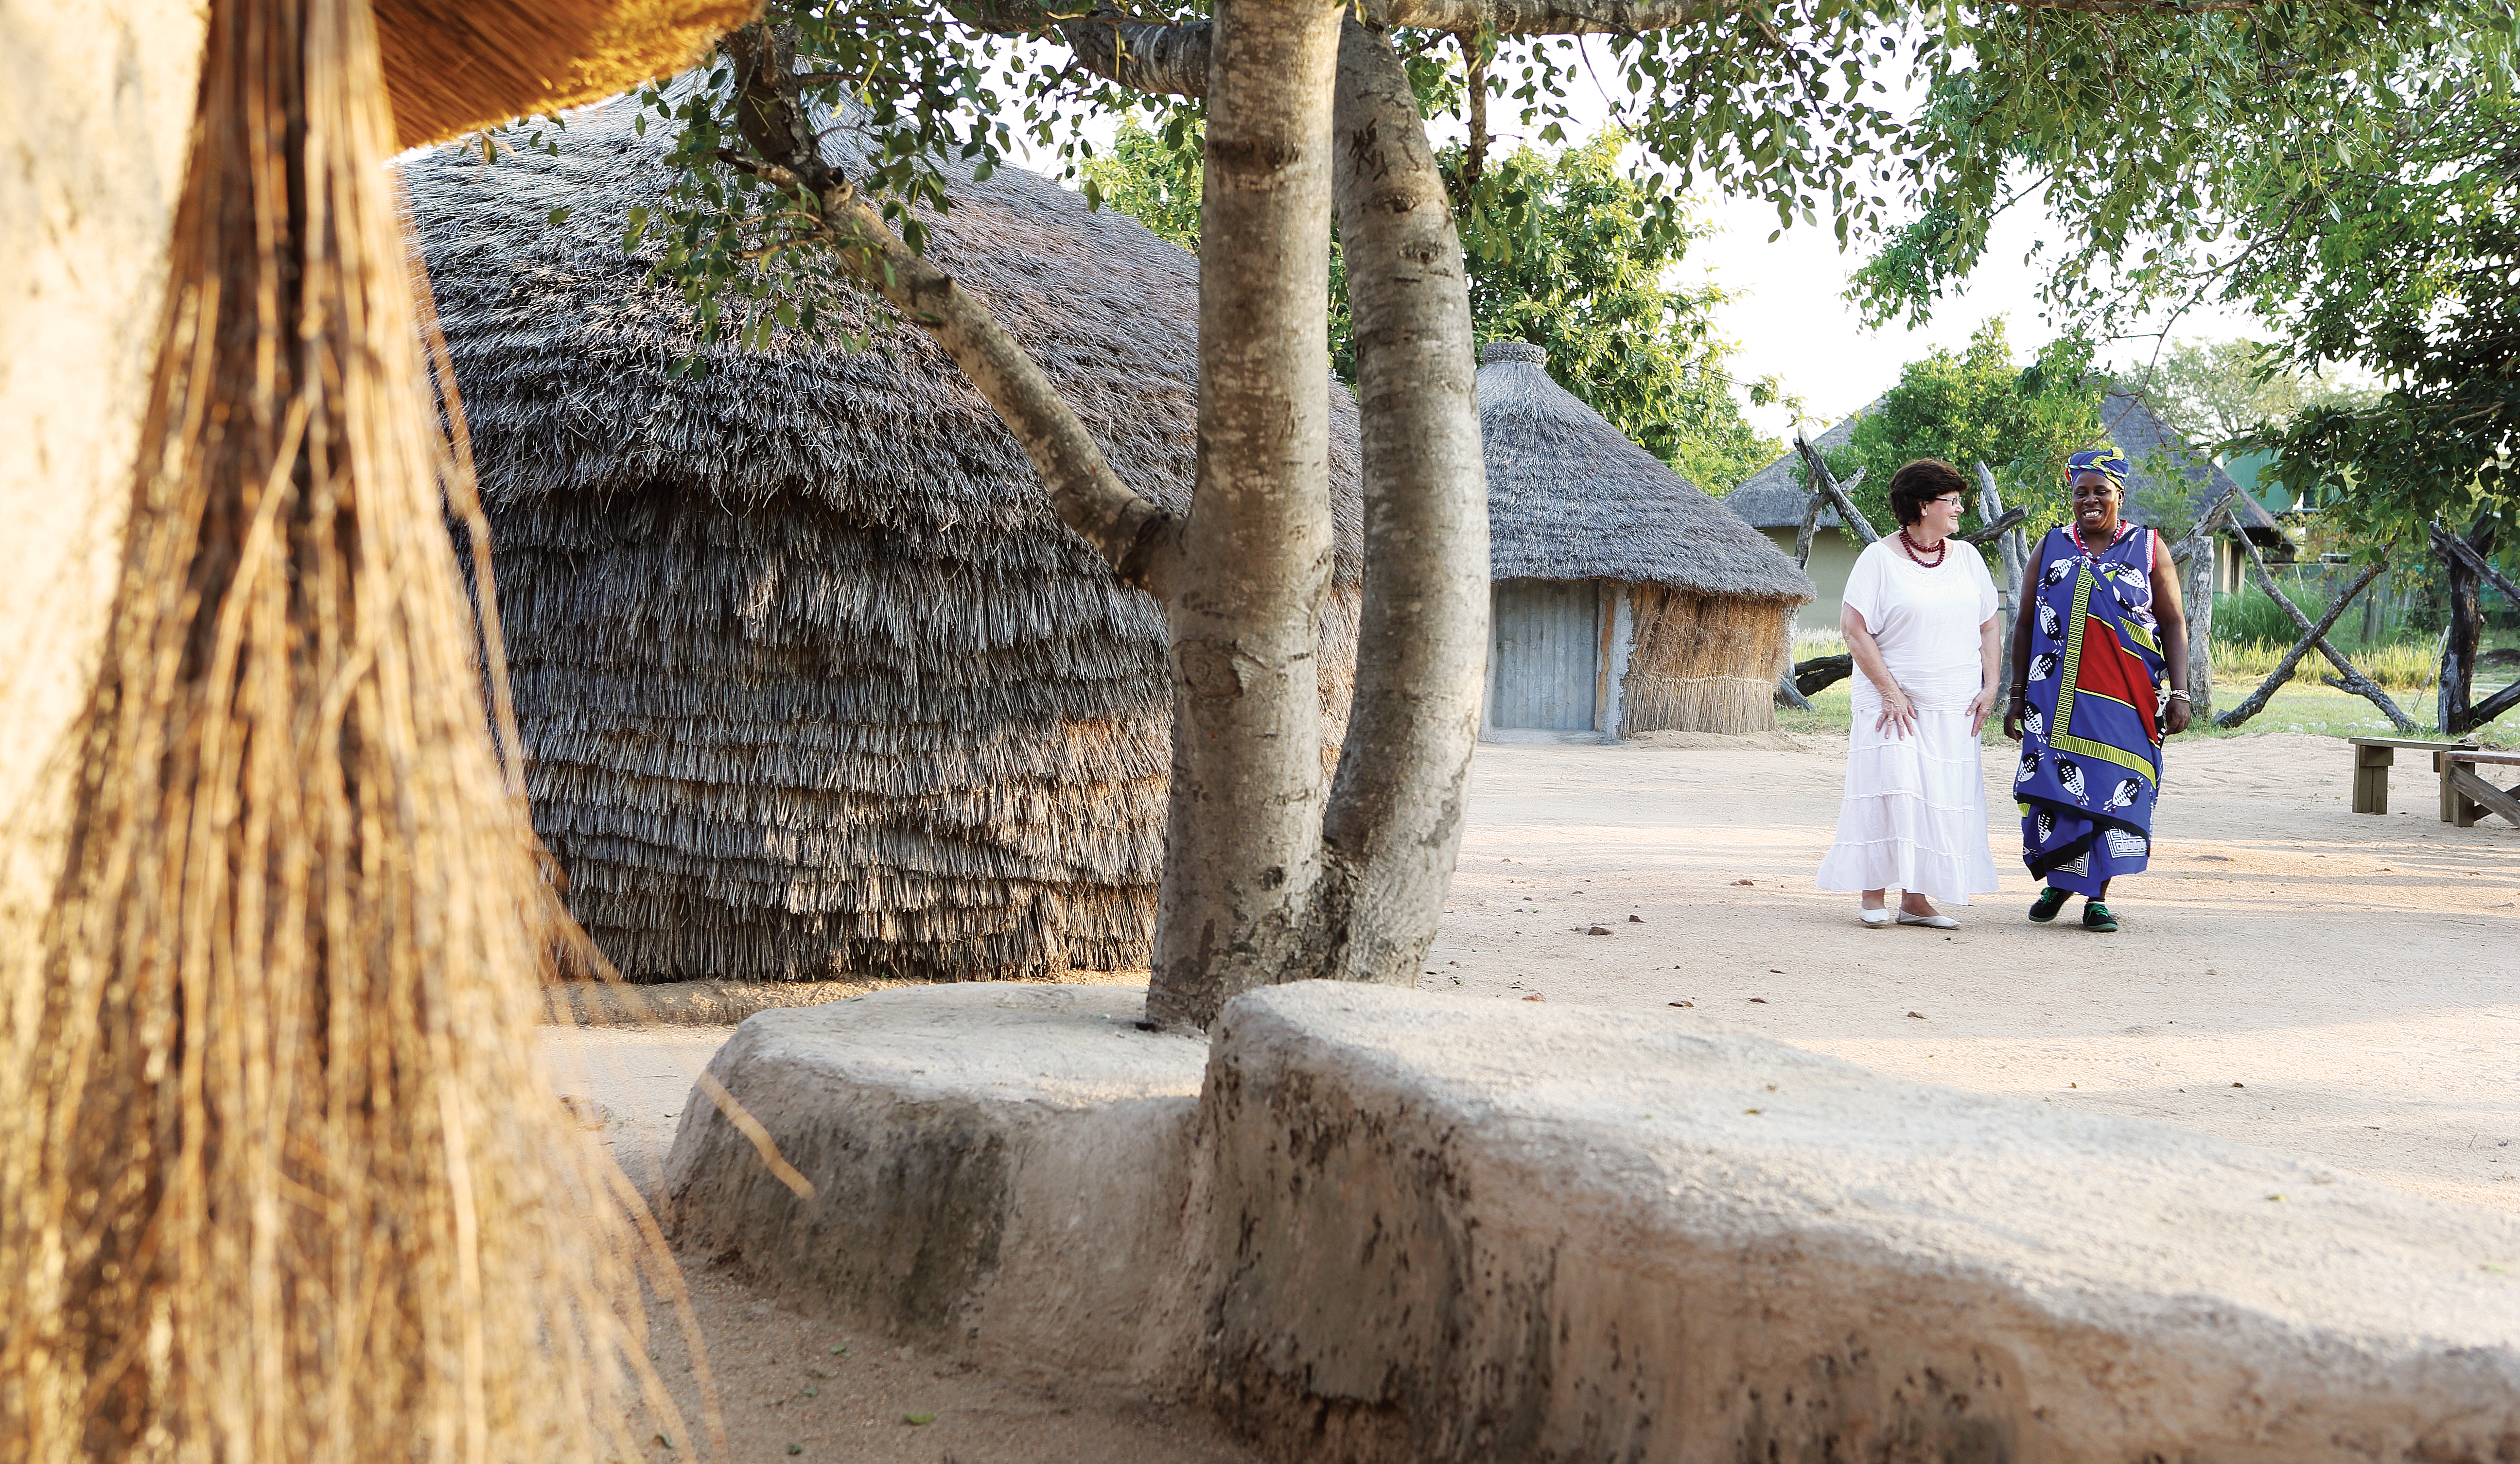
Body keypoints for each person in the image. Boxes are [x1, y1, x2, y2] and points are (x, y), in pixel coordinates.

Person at [2001, 447, 2192, 932]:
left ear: (2119, 496)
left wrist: (2181, 693)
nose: (2090, 500)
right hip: (2053, 698)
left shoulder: (2149, 547)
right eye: (2080, 492)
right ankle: (2061, 882)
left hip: (2127, 700)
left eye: (2100, 492)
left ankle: (2097, 898)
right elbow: (2024, 624)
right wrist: (2017, 695)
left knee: (2115, 790)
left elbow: (2172, 624)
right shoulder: (2050, 546)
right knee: (2059, 788)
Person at [1817, 459, 2004, 927]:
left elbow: (1989, 625)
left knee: (1938, 793)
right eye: (1953, 501)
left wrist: (1992, 685)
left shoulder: (1967, 558)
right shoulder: (1878, 559)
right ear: (1924, 505)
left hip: (1953, 702)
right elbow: (1854, 629)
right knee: (1892, 788)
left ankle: (1916, 901)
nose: (1960, 509)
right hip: (1893, 702)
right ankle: (1873, 895)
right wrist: (1891, 692)